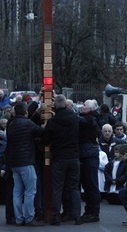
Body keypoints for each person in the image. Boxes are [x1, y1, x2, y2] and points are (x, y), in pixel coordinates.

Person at [43, 94, 82, 225]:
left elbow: (46, 140)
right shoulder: (74, 118)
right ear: (65, 104)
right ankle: (77, 216)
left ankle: (55, 217)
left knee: (57, 188)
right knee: (74, 188)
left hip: (59, 158)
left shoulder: (52, 122)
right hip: (74, 157)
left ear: (55, 106)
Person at [6, 102, 45, 227]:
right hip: (26, 162)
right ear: (26, 112)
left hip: (14, 162)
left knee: (17, 191)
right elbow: (41, 131)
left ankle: (18, 219)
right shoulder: (28, 124)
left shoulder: (11, 124)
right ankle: (29, 218)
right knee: (30, 191)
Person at [77, 99, 101, 223]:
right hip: (87, 154)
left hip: (89, 155)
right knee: (88, 185)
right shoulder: (90, 118)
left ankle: (93, 212)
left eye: (85, 105)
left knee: (91, 185)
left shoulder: (90, 119)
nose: (82, 107)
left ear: (90, 109)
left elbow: (77, 120)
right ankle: (90, 211)